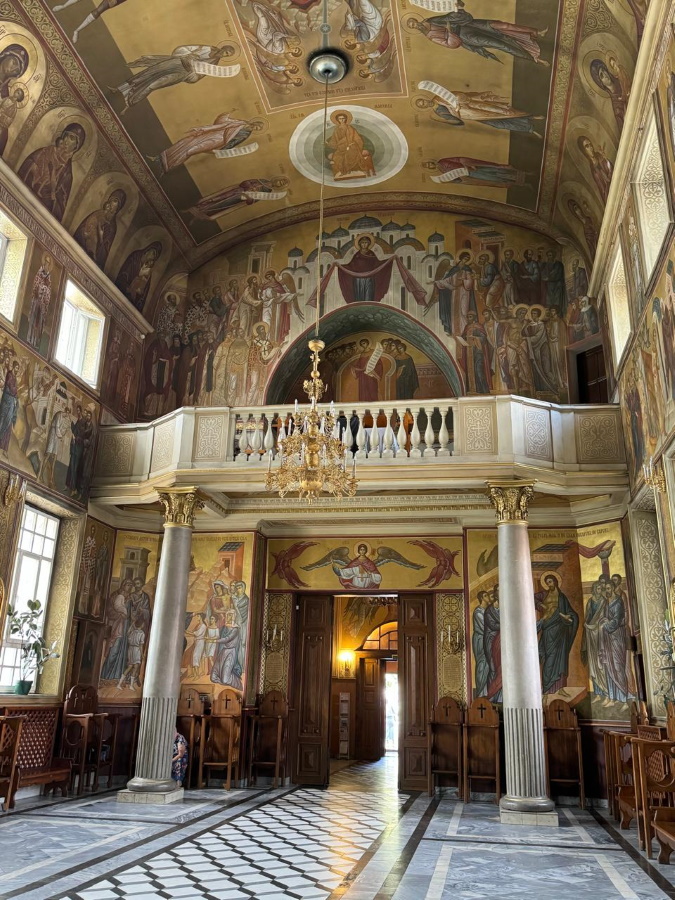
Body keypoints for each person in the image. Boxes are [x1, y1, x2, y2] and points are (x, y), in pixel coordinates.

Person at [18, 123, 86, 222]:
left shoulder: (67, 174)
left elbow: (60, 206)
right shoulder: (45, 152)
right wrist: (34, 171)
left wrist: (50, 194)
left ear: (76, 146)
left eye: (71, 138)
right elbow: (27, 166)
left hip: (39, 214)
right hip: (22, 195)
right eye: (66, 135)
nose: (66, 140)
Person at [535, 573, 579, 695]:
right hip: (548, 629)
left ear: (555, 582)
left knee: (561, 659)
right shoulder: (544, 594)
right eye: (547, 582)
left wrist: (569, 617)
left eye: (551, 582)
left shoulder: (562, 597)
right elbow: (532, 598)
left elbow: (571, 613)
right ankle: (546, 689)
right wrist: (541, 605)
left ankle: (560, 689)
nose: (549, 584)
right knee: (549, 659)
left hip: (560, 631)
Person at [73, 189, 127, 268]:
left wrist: (101, 238)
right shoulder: (98, 213)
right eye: (111, 199)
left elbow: (105, 249)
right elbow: (86, 226)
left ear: (118, 207)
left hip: (91, 260)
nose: (111, 203)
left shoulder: (113, 227)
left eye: (115, 201)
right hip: (81, 244)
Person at [326, 110, 375, 179]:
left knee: (348, 155)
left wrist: (349, 145)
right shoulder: (336, 129)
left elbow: (357, 139)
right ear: (337, 120)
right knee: (337, 157)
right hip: (341, 148)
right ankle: (343, 172)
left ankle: (346, 171)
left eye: (343, 118)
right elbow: (334, 140)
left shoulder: (350, 128)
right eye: (340, 119)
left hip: (352, 146)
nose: (342, 120)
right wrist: (328, 143)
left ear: (346, 119)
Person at [472, 591, 490, 698]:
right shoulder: (478, 612)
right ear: (482, 598)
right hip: (480, 640)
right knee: (482, 664)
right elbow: (485, 627)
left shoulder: (487, 610)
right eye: (486, 596)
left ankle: (487, 691)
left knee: (488, 664)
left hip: (487, 639)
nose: (488, 597)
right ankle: (481, 692)